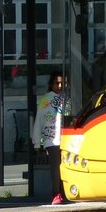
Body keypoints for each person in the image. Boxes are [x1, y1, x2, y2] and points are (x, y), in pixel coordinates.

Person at [31, 71, 70, 204]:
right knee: (55, 168)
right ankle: (56, 193)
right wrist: (37, 142)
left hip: (66, 138)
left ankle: (64, 192)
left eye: (62, 83)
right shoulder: (45, 100)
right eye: (57, 83)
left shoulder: (67, 99)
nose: (60, 86)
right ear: (51, 84)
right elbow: (39, 120)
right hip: (51, 139)